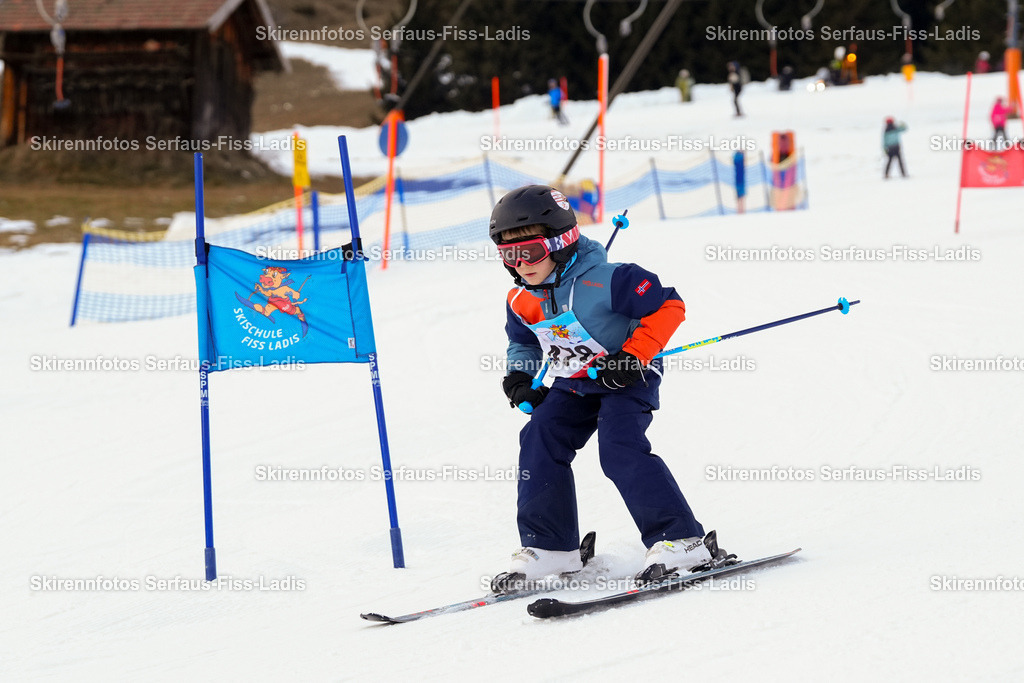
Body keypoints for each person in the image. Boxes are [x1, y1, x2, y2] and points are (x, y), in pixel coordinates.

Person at [487, 185, 736, 592]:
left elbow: (669, 306)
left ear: (561, 241)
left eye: (529, 252)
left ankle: (682, 540)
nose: (520, 264)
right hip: (575, 382)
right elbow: (525, 341)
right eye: (508, 255)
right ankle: (551, 546)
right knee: (539, 437)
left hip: (626, 378)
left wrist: (633, 356)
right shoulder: (521, 297)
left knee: (618, 448)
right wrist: (520, 378)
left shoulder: (611, 279)